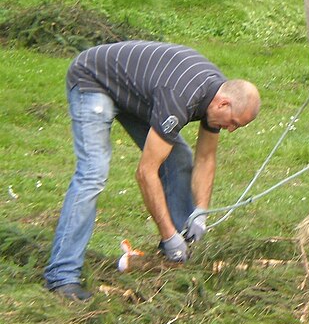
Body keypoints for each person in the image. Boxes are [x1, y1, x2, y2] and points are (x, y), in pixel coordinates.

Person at [44, 40, 261, 301]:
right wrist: (167, 233)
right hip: (94, 80)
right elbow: (146, 172)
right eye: (233, 124)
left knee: (179, 158)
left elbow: (205, 158)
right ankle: (62, 275)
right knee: (92, 174)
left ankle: (180, 249)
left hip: (135, 93)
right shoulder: (181, 97)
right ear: (223, 105)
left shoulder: (216, 94)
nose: (231, 130)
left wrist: (201, 212)